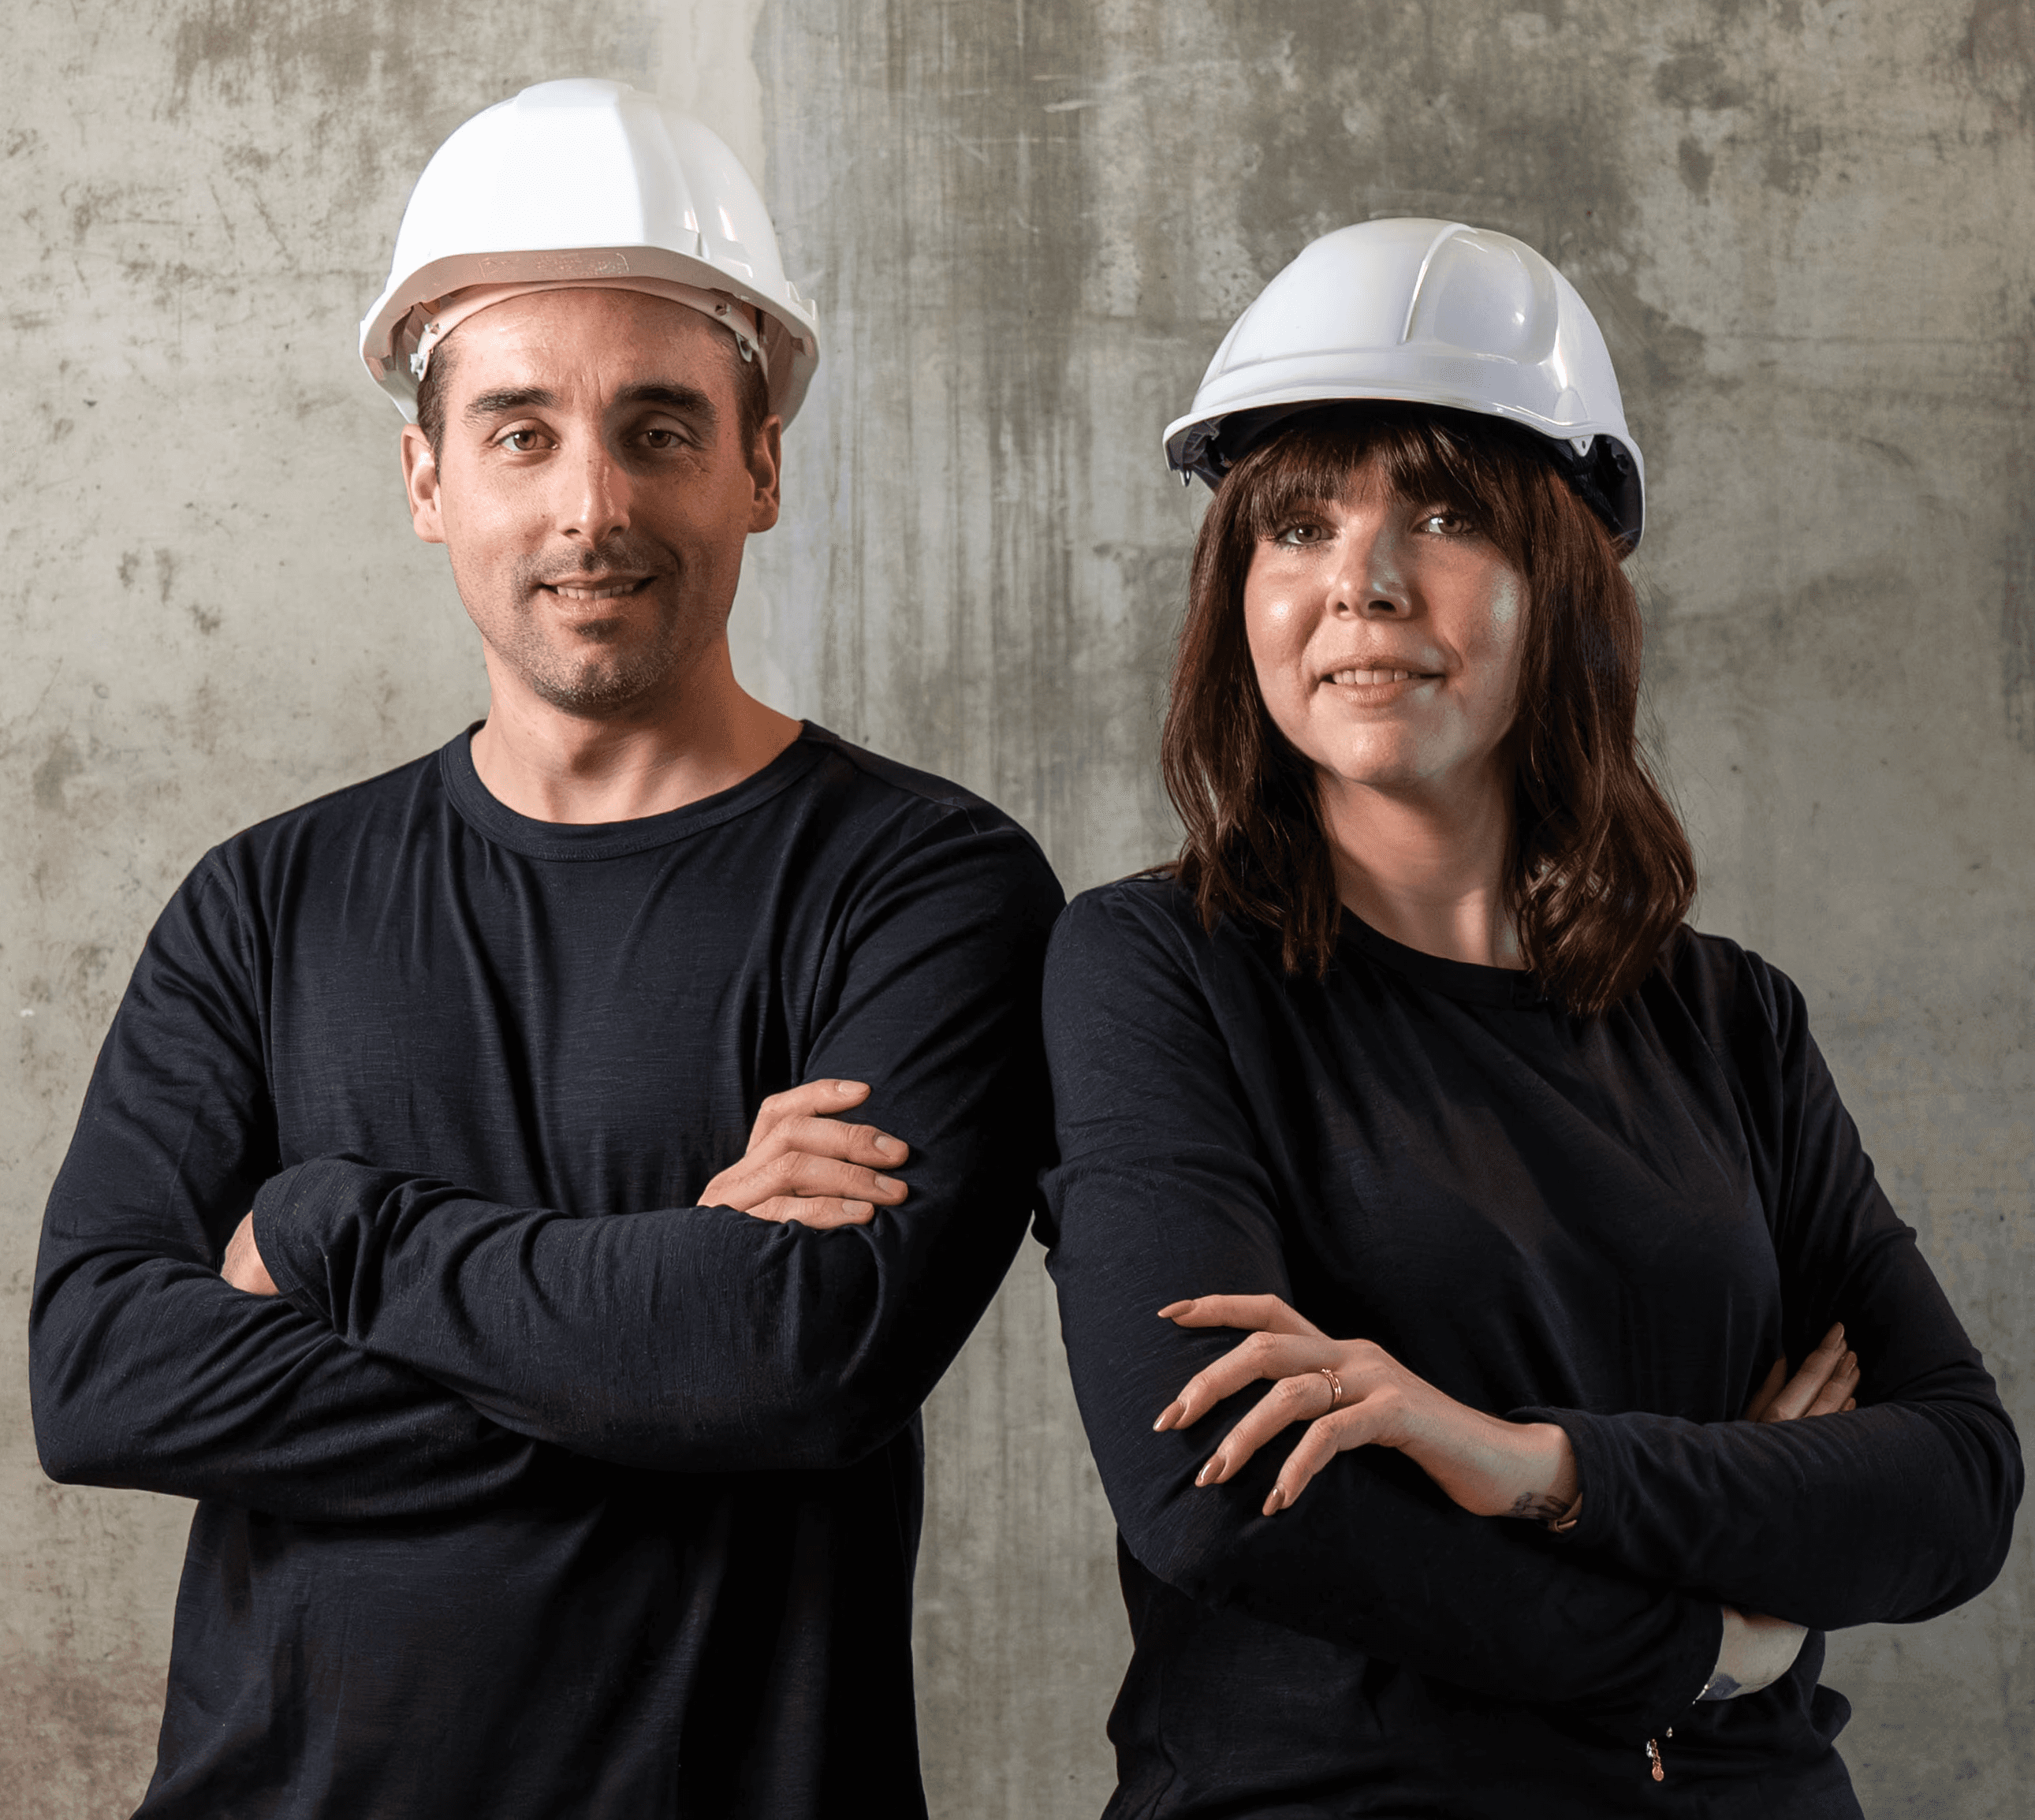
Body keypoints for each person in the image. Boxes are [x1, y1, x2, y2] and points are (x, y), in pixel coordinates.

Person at [30, 79, 1061, 1819]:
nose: (592, 504)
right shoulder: (262, 902)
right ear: (428, 477)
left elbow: (792, 1363)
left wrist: (330, 1224)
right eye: (521, 431)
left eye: (658, 427)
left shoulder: (926, 885)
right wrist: (655, 1320)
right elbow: (103, 1374)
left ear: (762, 464)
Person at [1039, 218, 2020, 1816]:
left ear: (1563, 576)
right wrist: (1713, 1642)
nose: (1358, 579)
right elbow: (1223, 1495)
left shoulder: (1728, 1019)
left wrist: (1529, 1459)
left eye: (1441, 513)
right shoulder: (1157, 970)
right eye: (1295, 523)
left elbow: (1956, 1484)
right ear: (1237, 589)